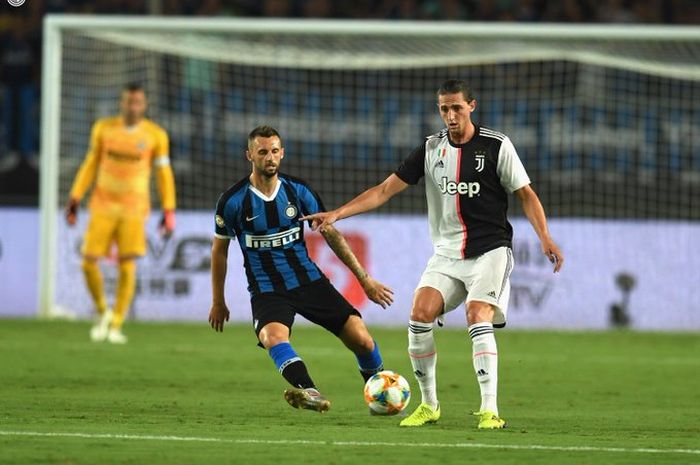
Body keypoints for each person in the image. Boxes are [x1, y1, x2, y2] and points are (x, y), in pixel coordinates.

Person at [302, 79, 564, 429]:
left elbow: (526, 194)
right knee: (419, 314)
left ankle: (489, 410)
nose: (450, 115)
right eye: (444, 109)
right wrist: (336, 214)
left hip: (490, 251)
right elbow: (383, 191)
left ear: (472, 105)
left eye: (457, 107)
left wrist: (544, 236)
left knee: (477, 313)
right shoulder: (429, 149)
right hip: (447, 254)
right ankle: (429, 406)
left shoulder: (497, 145)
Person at [208, 125, 394, 413]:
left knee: (362, 339)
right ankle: (310, 391)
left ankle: (380, 395)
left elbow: (331, 235)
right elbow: (219, 252)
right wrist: (218, 301)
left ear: (282, 153)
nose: (269, 157)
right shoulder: (232, 201)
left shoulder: (298, 191)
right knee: (272, 337)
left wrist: (365, 280)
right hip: (267, 289)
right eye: (262, 152)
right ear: (249, 155)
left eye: (274, 151)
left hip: (309, 281)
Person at [65, 83, 176, 344]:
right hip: (102, 205)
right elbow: (91, 163)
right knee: (88, 260)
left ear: (144, 105)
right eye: (128, 101)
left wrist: (169, 209)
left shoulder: (155, 135)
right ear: (121, 103)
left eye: (137, 102)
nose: (132, 106)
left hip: (134, 209)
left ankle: (116, 323)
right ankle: (103, 311)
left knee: (127, 265)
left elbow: (163, 175)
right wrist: (74, 197)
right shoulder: (104, 128)